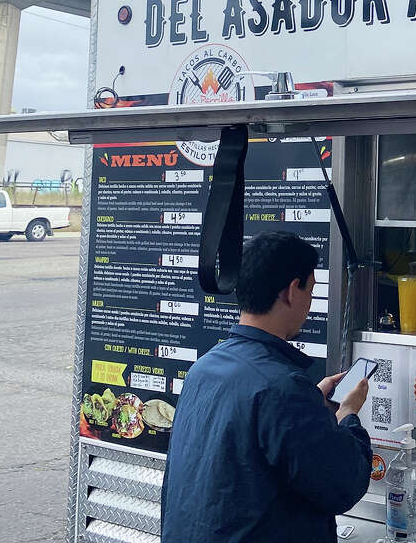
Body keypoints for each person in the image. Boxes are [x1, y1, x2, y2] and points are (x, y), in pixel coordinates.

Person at [160, 231, 373, 542]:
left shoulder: (203, 368)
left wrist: (312, 402)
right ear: (290, 292)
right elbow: (342, 485)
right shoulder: (283, 388)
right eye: (310, 291)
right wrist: (347, 415)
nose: (309, 304)